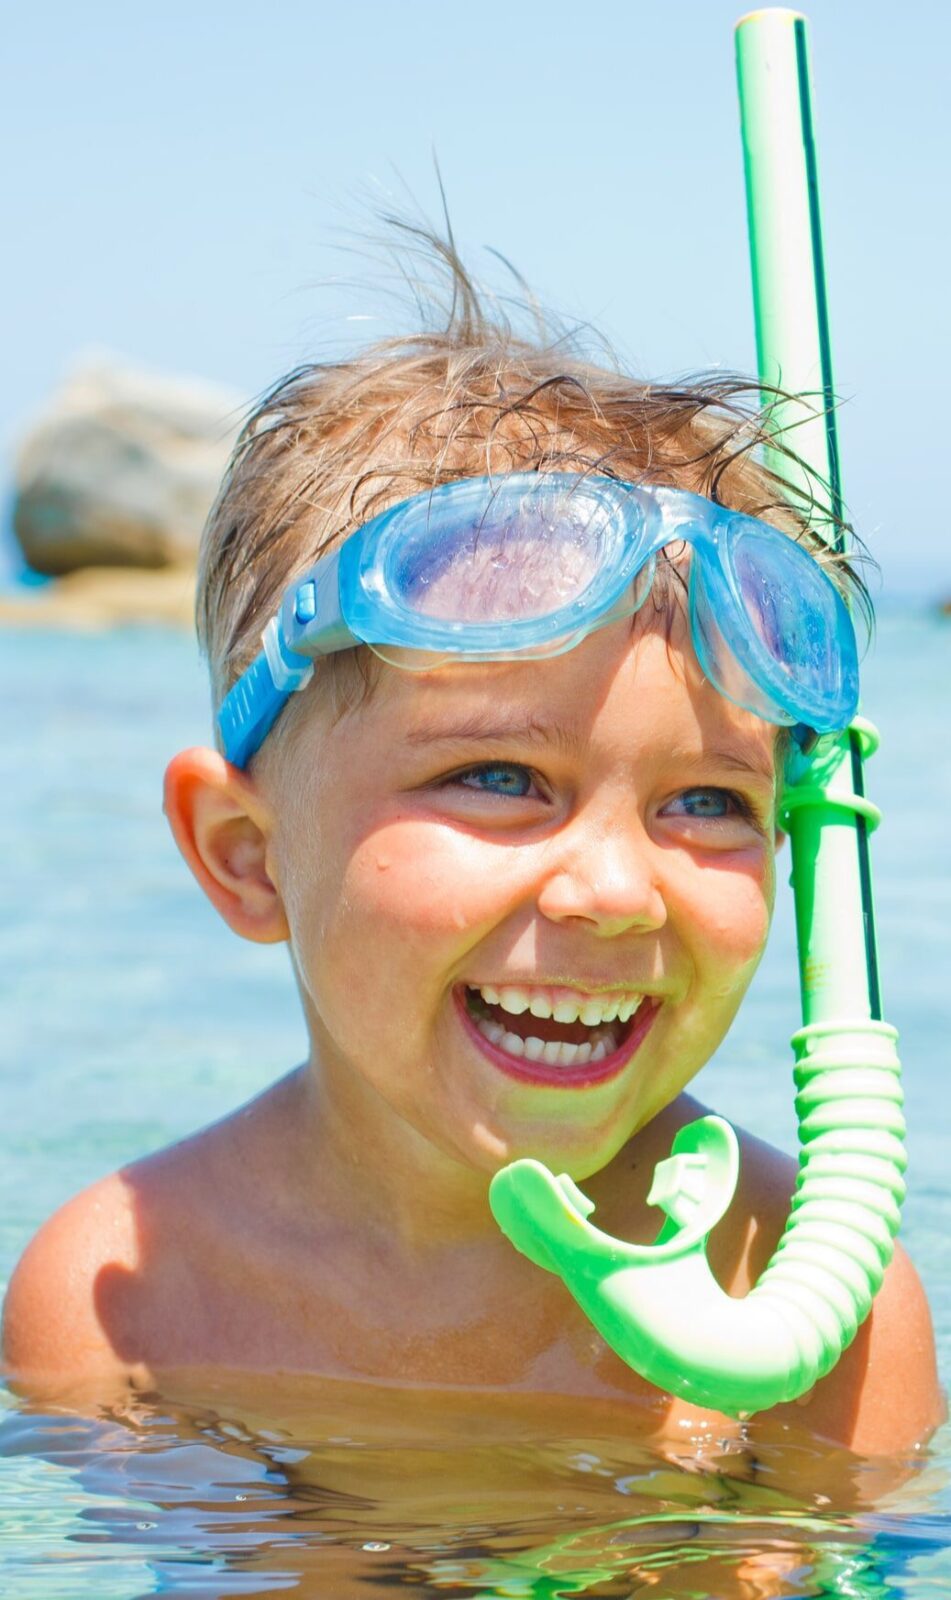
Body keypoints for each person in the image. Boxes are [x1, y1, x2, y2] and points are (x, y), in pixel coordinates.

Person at [2, 248, 941, 1456]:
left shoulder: (820, 1318)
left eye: (708, 802)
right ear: (246, 855)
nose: (614, 891)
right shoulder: (122, 1302)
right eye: (499, 778)